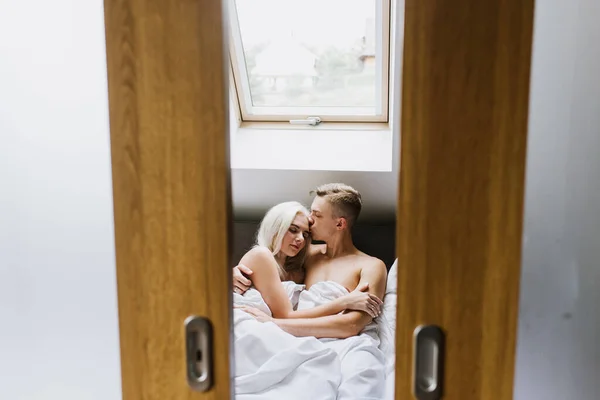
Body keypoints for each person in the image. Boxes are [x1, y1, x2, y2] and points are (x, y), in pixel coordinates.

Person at [234, 183, 388, 399]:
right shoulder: (306, 255)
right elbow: (269, 263)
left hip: (345, 340)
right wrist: (234, 274)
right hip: (299, 336)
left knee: (361, 378)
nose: (310, 220)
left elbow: (352, 325)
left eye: (316, 215)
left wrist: (276, 324)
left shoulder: (372, 265)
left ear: (340, 223)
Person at [234, 200, 383, 321]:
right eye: (293, 230)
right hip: (246, 323)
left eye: (305, 234)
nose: (300, 239)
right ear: (275, 228)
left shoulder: (299, 269)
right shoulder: (261, 255)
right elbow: (285, 316)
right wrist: (344, 302)